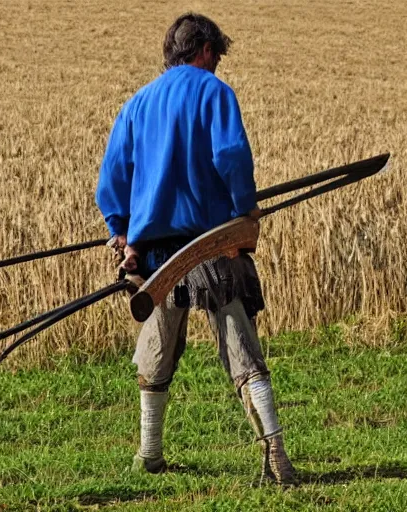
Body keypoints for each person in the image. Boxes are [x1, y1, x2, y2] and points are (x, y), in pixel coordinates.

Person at [95, 13, 296, 485]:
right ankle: (277, 458)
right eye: (217, 56)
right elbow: (230, 157)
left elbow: (113, 178)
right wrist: (246, 213)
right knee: (240, 346)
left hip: (155, 257)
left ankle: (150, 454)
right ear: (204, 50)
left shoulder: (137, 104)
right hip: (209, 246)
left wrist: (121, 233)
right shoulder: (213, 93)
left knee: (156, 349)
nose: (218, 66)